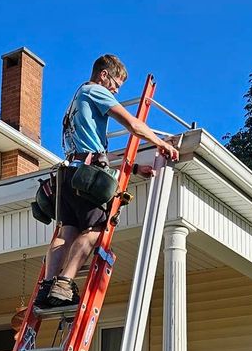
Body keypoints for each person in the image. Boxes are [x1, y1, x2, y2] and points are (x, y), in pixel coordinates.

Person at [35, 54, 179, 309]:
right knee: (95, 230)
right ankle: (64, 284)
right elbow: (133, 124)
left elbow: (91, 149)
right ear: (104, 74)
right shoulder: (95, 91)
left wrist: (132, 167)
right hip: (87, 176)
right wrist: (160, 143)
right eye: (116, 84)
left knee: (67, 230)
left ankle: (47, 286)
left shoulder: (76, 100)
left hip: (68, 174)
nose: (115, 91)